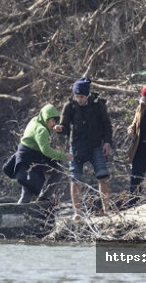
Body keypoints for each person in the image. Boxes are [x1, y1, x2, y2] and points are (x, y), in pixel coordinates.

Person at [55, 77, 113, 218]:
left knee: (102, 177)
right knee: (75, 179)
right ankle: (77, 212)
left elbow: (107, 125)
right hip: (76, 146)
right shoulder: (70, 106)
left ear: (87, 95)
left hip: (95, 145)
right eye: (77, 96)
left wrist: (107, 142)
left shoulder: (98, 105)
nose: (79, 99)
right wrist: (60, 128)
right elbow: (65, 126)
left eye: (81, 96)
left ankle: (107, 210)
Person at [3, 104, 73, 204]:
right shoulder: (42, 130)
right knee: (27, 192)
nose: (53, 123)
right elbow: (46, 150)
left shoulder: (35, 120)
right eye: (52, 121)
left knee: (58, 171)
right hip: (28, 160)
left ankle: (43, 199)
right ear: (46, 119)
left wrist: (54, 128)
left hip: (32, 156)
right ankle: (19, 213)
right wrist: (64, 156)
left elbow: (40, 131)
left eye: (54, 121)